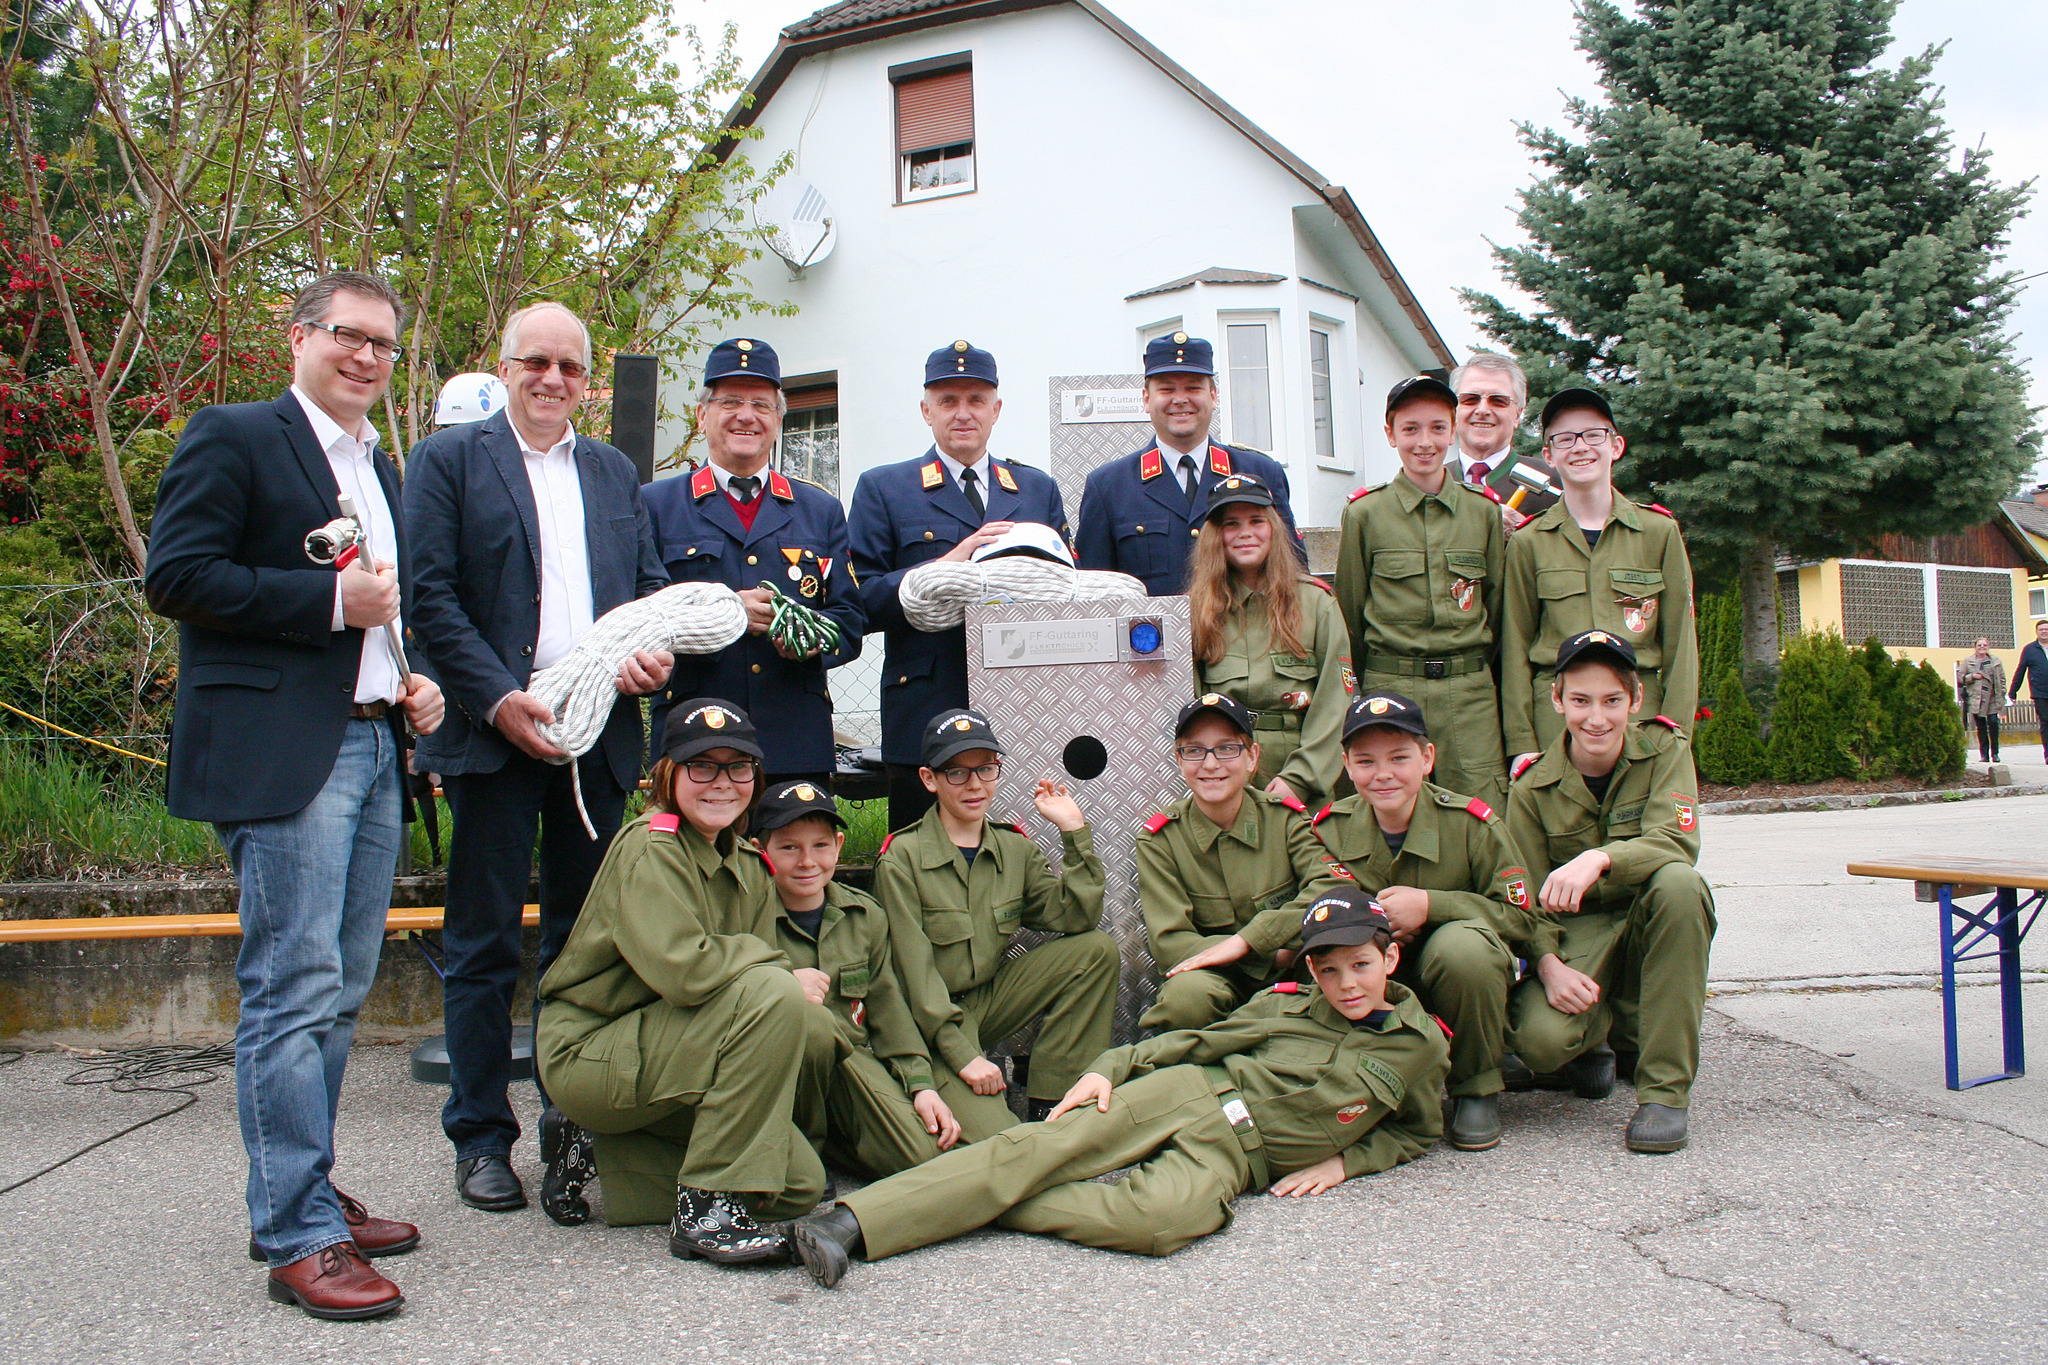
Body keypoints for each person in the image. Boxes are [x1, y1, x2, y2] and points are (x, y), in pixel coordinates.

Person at [146, 270, 445, 1320]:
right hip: (285, 757)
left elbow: (377, 613)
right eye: (348, 336)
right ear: (300, 336)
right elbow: (175, 576)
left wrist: (406, 676)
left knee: (341, 985)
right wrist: (328, 602)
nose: (365, 357)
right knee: (290, 988)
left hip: (370, 749)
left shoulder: (383, 470)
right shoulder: (234, 436)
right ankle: (296, 1235)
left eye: (383, 345)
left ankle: (304, 1182)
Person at [784, 889, 1450, 1286]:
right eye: (1329, 971)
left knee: (1158, 1224)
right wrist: (1111, 1065)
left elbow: (1416, 1129)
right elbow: (1193, 1042)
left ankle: (972, 1195)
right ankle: (851, 1225)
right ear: (1311, 971)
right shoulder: (1287, 1004)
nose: (1347, 984)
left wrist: (1345, 1161)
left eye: (1361, 965)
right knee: (1037, 1150)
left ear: (1391, 957)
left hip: (1235, 1157)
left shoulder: (1422, 1047)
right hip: (1190, 1091)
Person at [404, 301, 674, 1214]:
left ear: (585, 378)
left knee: (579, 943)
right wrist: (495, 698)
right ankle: (481, 1137)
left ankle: (571, 1126)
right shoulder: (449, 459)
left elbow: (645, 589)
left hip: (593, 738)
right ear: (506, 366)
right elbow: (429, 595)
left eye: (568, 366)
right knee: (482, 944)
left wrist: (650, 650)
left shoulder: (610, 469)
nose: (552, 379)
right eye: (536, 363)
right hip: (493, 737)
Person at [534, 702, 838, 1260]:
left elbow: (735, 990)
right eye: (703, 767)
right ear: (669, 775)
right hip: (592, 1051)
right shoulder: (651, 848)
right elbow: (687, 971)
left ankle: (595, 1149)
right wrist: (776, 971)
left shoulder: (748, 863)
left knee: (797, 1187)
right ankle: (708, 1209)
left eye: (738, 767)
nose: (723, 783)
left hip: (675, 1048)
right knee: (775, 991)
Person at [1504, 630, 1715, 1154]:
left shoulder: (1666, 749)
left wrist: (1599, 857)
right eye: (1580, 701)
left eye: (1612, 701)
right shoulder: (1530, 786)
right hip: (1580, 934)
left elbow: (1675, 842)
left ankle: (1664, 1093)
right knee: (1539, 1043)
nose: (1596, 718)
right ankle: (1595, 1039)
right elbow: (1521, 898)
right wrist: (1549, 967)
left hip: (1651, 918)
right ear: (1557, 701)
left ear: (1636, 700)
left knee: (1682, 886)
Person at [847, 341, 1071, 829]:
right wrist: (945, 567)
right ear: (926, 410)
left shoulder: (1037, 490)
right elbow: (860, 602)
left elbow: (1065, 592)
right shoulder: (885, 488)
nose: (963, 413)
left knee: (1026, 849)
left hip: (1026, 699)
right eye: (948, 401)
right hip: (928, 706)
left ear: (996, 409)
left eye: (975, 400)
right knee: (921, 857)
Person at [1301, 691, 1537, 1152]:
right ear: (1346, 766)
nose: (1383, 774)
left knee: (1464, 950)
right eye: (1365, 761)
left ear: (1428, 758)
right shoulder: (1327, 828)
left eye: (1399, 758)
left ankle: (1476, 1089)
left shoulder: (1472, 824)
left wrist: (1433, 905)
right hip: (1371, 975)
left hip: (1453, 981)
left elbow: (1521, 918)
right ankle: (1352, 1087)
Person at [752, 778, 1017, 1178]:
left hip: (852, 1066)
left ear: (839, 846)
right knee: (812, 1025)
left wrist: (920, 1084)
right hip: (781, 1075)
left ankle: (842, 1139)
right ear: (761, 852)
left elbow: (889, 1008)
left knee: (920, 1153)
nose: (807, 861)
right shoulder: (748, 919)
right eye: (789, 847)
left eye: (820, 846)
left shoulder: (864, 915)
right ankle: (806, 1143)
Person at [874, 708, 1119, 1124]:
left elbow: (1077, 916)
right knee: (997, 1138)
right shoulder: (902, 859)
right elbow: (913, 979)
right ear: (928, 779)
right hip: (931, 1019)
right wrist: (963, 1055)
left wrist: (1074, 832)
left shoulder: (1013, 848)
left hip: (988, 1001)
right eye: (956, 773)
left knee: (1095, 951)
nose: (974, 785)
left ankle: (1052, 1098)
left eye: (986, 769)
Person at [642, 338, 864, 790]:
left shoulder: (819, 509)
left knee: (794, 864)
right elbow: (637, 615)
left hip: (793, 738)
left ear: (779, 420)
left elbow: (850, 623)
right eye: (731, 402)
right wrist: (723, 614)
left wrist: (807, 638)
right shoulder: (655, 505)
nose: (746, 415)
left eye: (762, 404)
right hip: (693, 739)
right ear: (702, 415)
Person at [1500, 386, 1698, 772]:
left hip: (1641, 720)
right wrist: (1523, 743)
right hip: (1554, 726)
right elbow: (1514, 650)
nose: (1580, 447)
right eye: (1564, 439)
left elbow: (1680, 646)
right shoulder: (1529, 542)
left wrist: (1675, 734)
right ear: (1549, 456)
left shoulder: (1658, 532)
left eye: (1593, 435)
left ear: (1616, 445)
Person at [1335, 375, 1508, 809]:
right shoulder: (1365, 514)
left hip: (1469, 693)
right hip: (1392, 684)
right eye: (1410, 429)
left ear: (1453, 431)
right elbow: (1350, 616)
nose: (1424, 442)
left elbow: (1501, 611)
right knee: (1393, 809)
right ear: (1391, 434)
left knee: (1484, 810)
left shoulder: (1483, 512)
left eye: (1437, 427)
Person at [1135, 693, 1349, 1032]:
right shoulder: (1160, 840)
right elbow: (1171, 942)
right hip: (1219, 979)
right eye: (1194, 751)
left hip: (1295, 968)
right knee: (1185, 996)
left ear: (1252, 757)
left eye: (1226, 748)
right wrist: (1262, 952)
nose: (1210, 764)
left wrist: (1250, 939)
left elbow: (1333, 887)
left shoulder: (1283, 818)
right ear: (1179, 761)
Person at [1073, 332, 1303, 594]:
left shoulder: (1260, 472)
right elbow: (1093, 593)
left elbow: (1293, 570)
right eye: (1167, 389)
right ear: (1147, 399)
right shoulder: (1109, 486)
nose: (1180, 399)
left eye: (1193, 387)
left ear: (1214, 396)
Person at [1186, 472, 1351, 805]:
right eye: (1231, 524)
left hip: (1297, 772)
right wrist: (1216, 771)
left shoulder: (1317, 604)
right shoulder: (1196, 612)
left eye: (1256, 520)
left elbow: (1335, 702)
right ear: (1215, 537)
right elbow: (1189, 703)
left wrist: (1301, 777)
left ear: (1273, 528)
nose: (1245, 533)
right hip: (1223, 771)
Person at [1450, 351, 1554, 525]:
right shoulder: (1430, 483)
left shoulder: (1554, 484)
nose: (1482, 410)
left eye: (1498, 400)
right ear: (1454, 410)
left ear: (1517, 415)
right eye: (1470, 399)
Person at [1961, 638, 2007, 764]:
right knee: (1981, 727)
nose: (1982, 647)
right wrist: (1972, 676)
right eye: (1979, 645)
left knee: (1993, 724)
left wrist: (2002, 692)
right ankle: (1984, 754)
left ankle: (1995, 753)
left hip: (1992, 697)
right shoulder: (1968, 661)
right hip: (1977, 699)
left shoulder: (1995, 661)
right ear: (1975, 647)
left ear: (1988, 647)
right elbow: (1961, 678)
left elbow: (2002, 678)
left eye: (1985, 645)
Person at [2008, 618, 2048, 761]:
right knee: (2045, 721)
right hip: (2040, 693)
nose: (2044, 632)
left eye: (2046, 629)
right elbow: (2021, 671)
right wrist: (2013, 692)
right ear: (2036, 632)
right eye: (2041, 629)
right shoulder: (2030, 649)